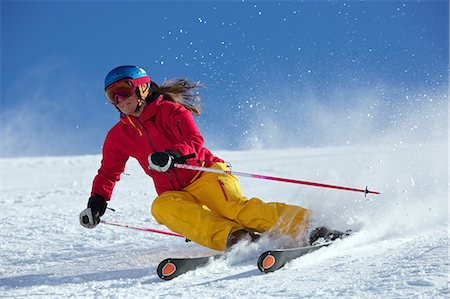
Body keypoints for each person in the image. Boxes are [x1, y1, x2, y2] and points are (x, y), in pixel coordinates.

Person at [79, 65, 342, 251]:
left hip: (205, 173)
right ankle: (236, 239)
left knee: (234, 208)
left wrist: (172, 155)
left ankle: (312, 228)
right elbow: (108, 172)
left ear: (142, 88)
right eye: (111, 95)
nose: (118, 99)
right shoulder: (119, 135)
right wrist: (97, 201)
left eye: (123, 90)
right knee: (161, 207)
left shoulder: (171, 112)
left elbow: (194, 142)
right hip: (174, 191)